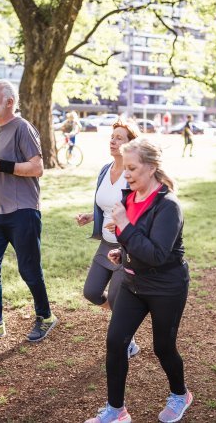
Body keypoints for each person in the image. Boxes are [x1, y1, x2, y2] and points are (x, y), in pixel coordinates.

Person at [85, 138, 193, 423]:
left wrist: (124, 226)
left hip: (166, 287)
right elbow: (134, 241)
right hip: (134, 284)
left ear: (151, 167)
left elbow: (157, 254)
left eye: (132, 168)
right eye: (126, 168)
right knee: (115, 341)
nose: (127, 173)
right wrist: (122, 253)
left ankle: (180, 394)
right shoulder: (129, 196)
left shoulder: (168, 206)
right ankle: (116, 410)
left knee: (163, 347)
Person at [0, 79, 58, 342]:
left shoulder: (23, 128)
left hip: (22, 213)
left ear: (10, 101)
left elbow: (37, 168)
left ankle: (46, 316)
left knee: (29, 269)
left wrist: (0, 166)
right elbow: (1, 170)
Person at [75, 118, 141, 359]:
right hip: (105, 243)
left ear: (131, 144)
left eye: (119, 138)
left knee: (115, 298)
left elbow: (142, 209)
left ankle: (126, 338)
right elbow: (105, 205)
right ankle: (124, 323)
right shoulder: (105, 170)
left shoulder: (133, 174)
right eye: (112, 137)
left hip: (125, 247)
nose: (113, 141)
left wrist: (125, 224)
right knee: (92, 293)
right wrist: (90, 217)